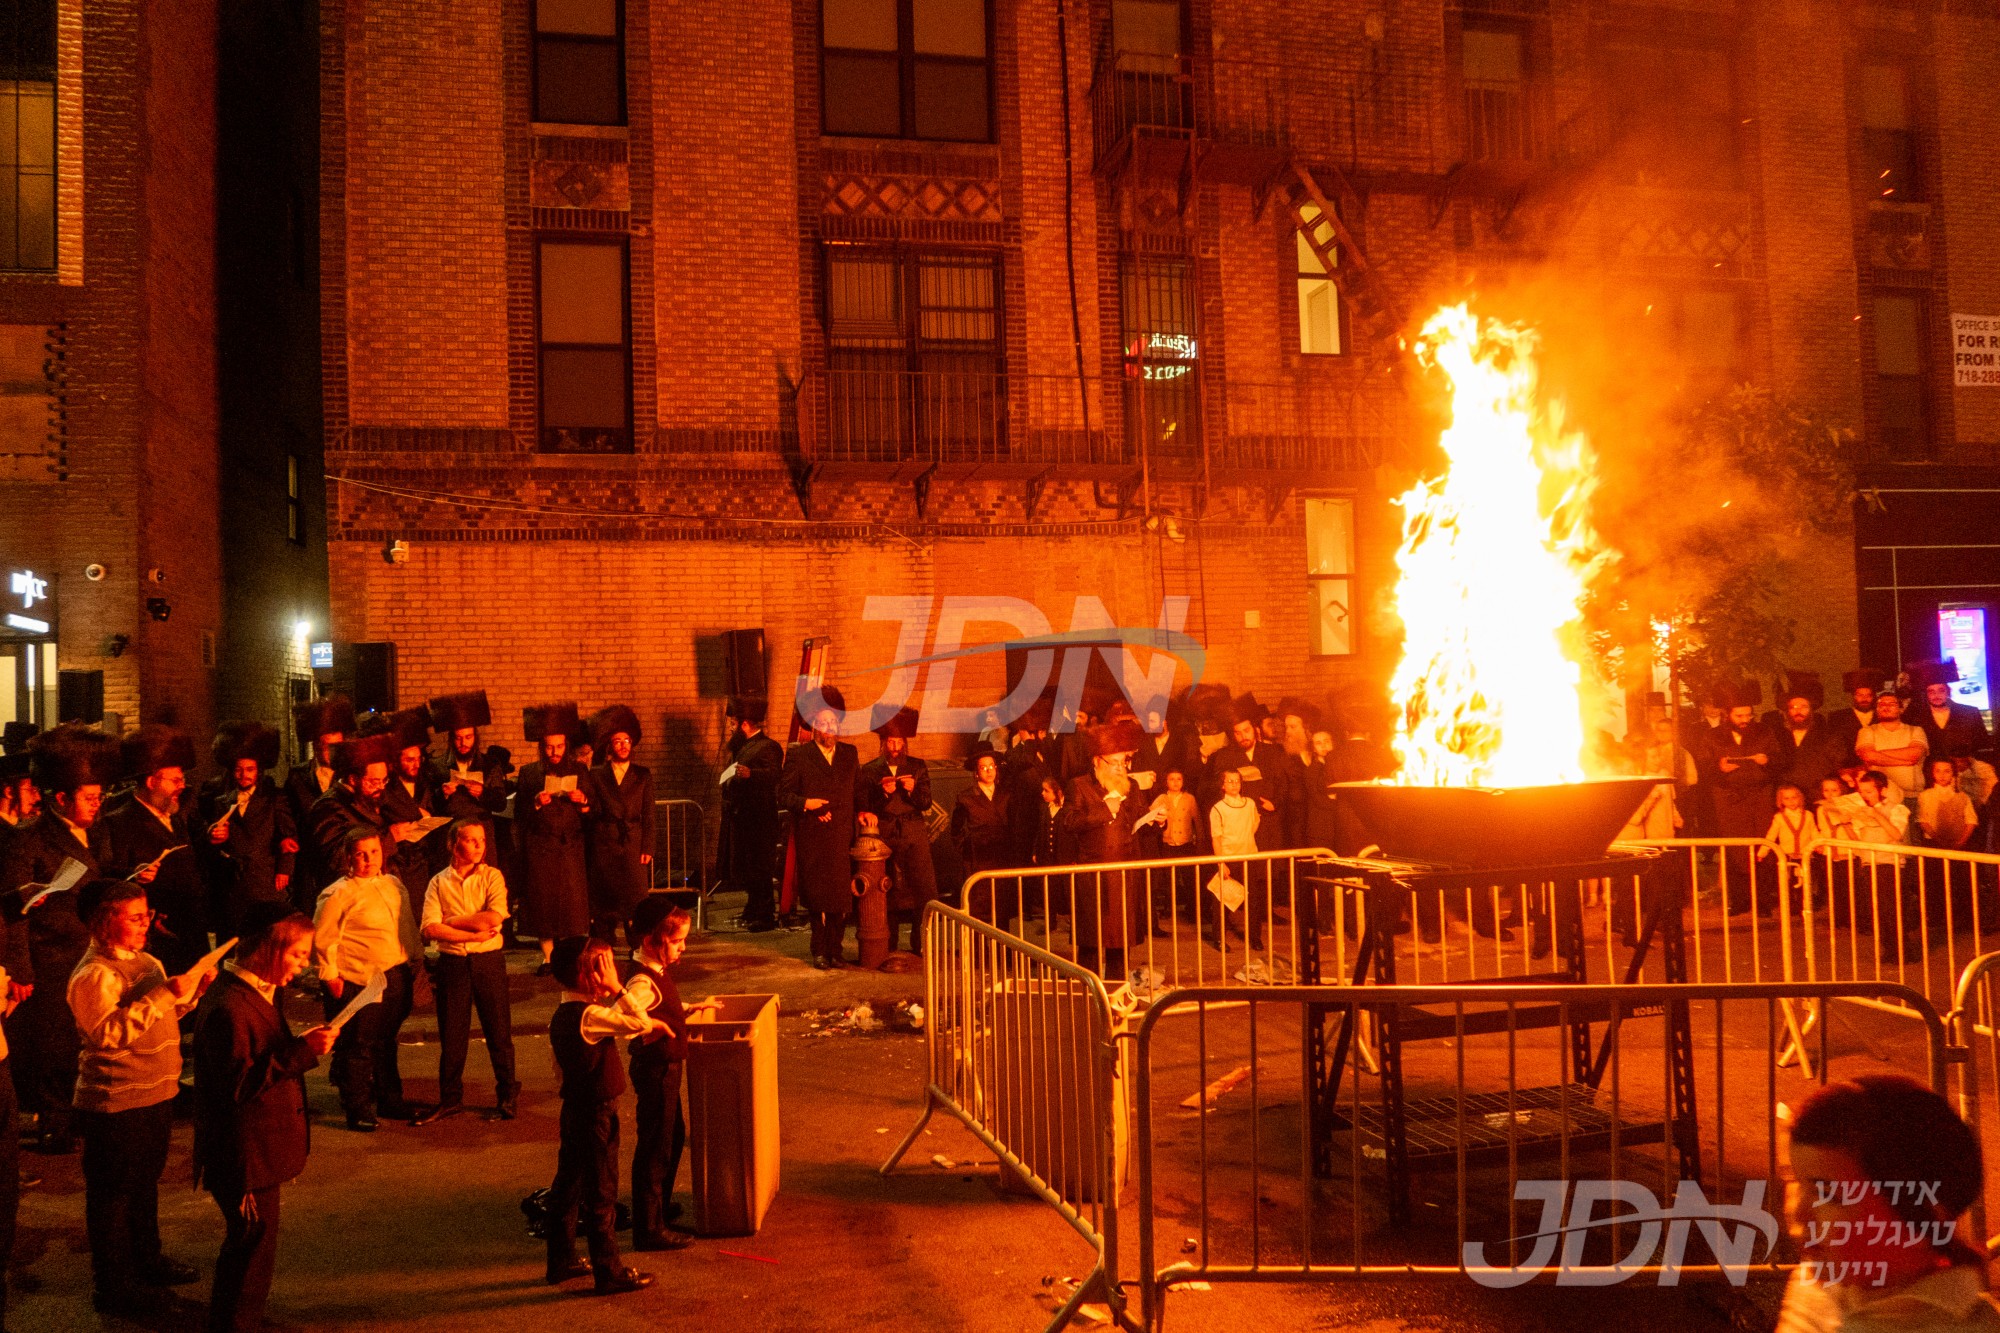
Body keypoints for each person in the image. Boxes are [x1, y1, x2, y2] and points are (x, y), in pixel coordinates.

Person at [67, 877, 215, 1315]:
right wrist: (164, 994)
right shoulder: (94, 975)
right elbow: (109, 1034)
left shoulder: (146, 960)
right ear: (101, 923)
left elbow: (157, 1014)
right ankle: (114, 1285)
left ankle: (146, 1260)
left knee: (144, 1185)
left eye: (146, 914)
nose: (144, 923)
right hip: (116, 1101)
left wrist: (190, 996)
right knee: (113, 1194)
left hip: (155, 1092)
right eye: (134, 917)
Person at [191, 904, 337, 1333]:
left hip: (259, 1150)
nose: (304, 964)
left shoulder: (257, 992)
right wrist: (303, 1051)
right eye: (297, 954)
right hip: (244, 1158)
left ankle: (244, 1316)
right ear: (266, 949)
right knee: (249, 1247)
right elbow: (238, 1084)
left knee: (257, 1246)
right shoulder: (230, 1007)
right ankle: (235, 1322)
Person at [1778, 1074, 1996, 1332]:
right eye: (1796, 1183)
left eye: (1828, 1194)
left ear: (1924, 1214)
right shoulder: (1812, 1289)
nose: (1800, 1212)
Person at [6, 724, 120, 1154]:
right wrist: (19, 967)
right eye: (90, 798)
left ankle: (80, 1112)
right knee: (53, 1045)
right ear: (60, 800)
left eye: (99, 797)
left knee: (85, 1036)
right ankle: (53, 1121)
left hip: (89, 952)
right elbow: (11, 912)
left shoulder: (98, 831)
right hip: (49, 956)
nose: (98, 805)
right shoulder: (27, 839)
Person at [543, 935, 665, 1294]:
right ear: (587, 977)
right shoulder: (591, 1016)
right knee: (602, 1192)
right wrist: (617, 989)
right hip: (596, 1113)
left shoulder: (565, 1012)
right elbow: (640, 1023)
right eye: (604, 967)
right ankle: (608, 1271)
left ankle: (561, 1259)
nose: (612, 973)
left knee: (569, 1185)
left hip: (575, 1108)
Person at [620, 898, 719, 1251]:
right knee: (656, 1145)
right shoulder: (642, 982)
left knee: (672, 1136)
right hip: (656, 1069)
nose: (682, 947)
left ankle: (658, 1209)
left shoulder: (655, 973)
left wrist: (689, 1008)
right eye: (676, 941)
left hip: (666, 1068)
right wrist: (652, 1026)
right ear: (650, 942)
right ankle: (649, 1227)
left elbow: (659, 1006)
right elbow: (626, 1017)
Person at [312, 827, 421, 1131]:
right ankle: (356, 1106)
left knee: (387, 1041)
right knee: (358, 1043)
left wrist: (415, 954)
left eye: (373, 852)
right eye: (360, 854)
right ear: (348, 857)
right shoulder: (338, 894)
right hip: (359, 977)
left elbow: (406, 922)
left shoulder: (393, 884)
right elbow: (323, 939)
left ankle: (390, 1098)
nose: (368, 859)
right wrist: (330, 975)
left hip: (395, 972)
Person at [416, 819, 518, 1125]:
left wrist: (453, 921)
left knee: (498, 1030)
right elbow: (429, 928)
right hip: (453, 964)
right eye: (470, 840)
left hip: (487, 962)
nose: (478, 846)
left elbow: (492, 919)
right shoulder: (438, 882)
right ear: (452, 845)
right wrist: (470, 933)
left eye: (481, 841)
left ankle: (507, 1094)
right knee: (452, 1034)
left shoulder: (492, 876)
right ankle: (450, 1099)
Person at [99, 725, 209, 977]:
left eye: (182, 779)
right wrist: (134, 875)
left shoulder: (176, 816)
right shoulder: (119, 823)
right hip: (157, 937)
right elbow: (108, 876)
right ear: (151, 781)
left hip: (190, 930)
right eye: (175, 780)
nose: (182, 786)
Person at [778, 692, 862, 969]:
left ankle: (835, 950)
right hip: (813, 835)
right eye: (824, 723)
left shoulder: (849, 754)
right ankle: (819, 950)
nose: (830, 729)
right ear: (814, 725)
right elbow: (783, 795)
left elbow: (856, 790)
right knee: (817, 897)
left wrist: (863, 811)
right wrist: (807, 804)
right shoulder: (799, 756)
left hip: (841, 834)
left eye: (834, 723)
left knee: (840, 897)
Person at [1060, 719, 1148, 975]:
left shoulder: (1131, 787)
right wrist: (1103, 810)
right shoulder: (1079, 786)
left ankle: (1116, 996)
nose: (1121, 768)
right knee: (1092, 941)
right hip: (1094, 877)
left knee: (1120, 943)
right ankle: (1087, 996)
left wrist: (1155, 819)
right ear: (1098, 760)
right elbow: (1069, 821)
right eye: (1115, 762)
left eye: (1125, 762)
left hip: (1124, 875)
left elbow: (1137, 820)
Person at [200, 722, 298, 939]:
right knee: (233, 939)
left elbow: (288, 836)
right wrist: (215, 838)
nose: (243, 775)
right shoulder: (221, 802)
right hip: (233, 885)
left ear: (259, 770)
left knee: (265, 939)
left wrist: (285, 869)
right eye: (238, 769)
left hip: (265, 881)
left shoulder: (274, 799)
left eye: (249, 769)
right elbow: (212, 839)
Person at [517, 703, 592, 973]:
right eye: (549, 747)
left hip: (570, 847)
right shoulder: (529, 773)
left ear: (566, 745)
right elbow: (519, 816)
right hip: (541, 848)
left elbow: (592, 812)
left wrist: (583, 801)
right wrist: (536, 803)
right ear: (541, 747)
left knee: (572, 906)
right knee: (543, 903)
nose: (555, 752)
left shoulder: (580, 771)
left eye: (559, 746)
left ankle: (571, 956)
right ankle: (548, 958)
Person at [858, 706, 937, 923]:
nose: (894, 747)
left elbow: (926, 803)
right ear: (883, 743)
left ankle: (921, 941)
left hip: (913, 833)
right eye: (890, 742)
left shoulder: (917, 766)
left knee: (923, 886)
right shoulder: (870, 769)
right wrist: (883, 793)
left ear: (904, 743)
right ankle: (888, 941)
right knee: (885, 886)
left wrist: (911, 790)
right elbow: (865, 806)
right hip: (884, 833)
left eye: (898, 742)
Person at [583, 705, 654, 945]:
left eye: (627, 740)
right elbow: (592, 810)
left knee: (635, 899)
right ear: (609, 746)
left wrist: (648, 847)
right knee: (605, 901)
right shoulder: (596, 775)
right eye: (618, 741)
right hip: (604, 843)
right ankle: (604, 944)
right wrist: (584, 807)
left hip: (633, 843)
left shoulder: (643, 775)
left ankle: (637, 945)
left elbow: (649, 814)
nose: (623, 745)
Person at [304, 732, 397, 906]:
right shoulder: (328, 807)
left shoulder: (367, 799)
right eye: (374, 782)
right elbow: (337, 858)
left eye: (384, 781)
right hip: (347, 900)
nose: (380, 788)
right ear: (353, 779)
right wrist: (391, 837)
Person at [283, 695, 356, 911]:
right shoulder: (297, 776)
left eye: (336, 746)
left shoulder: (351, 776)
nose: (331, 752)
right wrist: (287, 837)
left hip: (341, 865)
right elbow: (288, 813)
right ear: (315, 745)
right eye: (326, 746)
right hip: (308, 869)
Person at [717, 695, 783, 932]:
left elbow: (775, 775)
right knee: (748, 868)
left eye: (734, 724)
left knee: (760, 868)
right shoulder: (743, 747)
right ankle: (752, 908)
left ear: (745, 724)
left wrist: (751, 774)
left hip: (760, 820)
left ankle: (765, 915)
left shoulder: (769, 746)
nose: (732, 728)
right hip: (742, 818)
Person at [371, 708, 444, 910]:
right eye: (409, 760)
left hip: (423, 863)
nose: (415, 765)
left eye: (418, 759)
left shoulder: (424, 783)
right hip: (398, 865)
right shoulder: (386, 788)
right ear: (396, 761)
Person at [1709, 683, 1779, 849]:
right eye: (1739, 716)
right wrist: (1719, 768)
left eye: (1748, 715)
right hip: (1729, 798)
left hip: (1761, 796)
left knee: (1763, 842)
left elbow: (1779, 758)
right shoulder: (1713, 736)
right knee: (1736, 845)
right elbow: (1703, 766)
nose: (1745, 720)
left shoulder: (1765, 731)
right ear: (1727, 715)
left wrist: (1767, 761)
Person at [428, 690, 512, 827]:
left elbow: (501, 804)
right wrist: (442, 794)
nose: (463, 743)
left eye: (468, 737)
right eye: (458, 738)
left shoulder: (490, 765)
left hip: (481, 831)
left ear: (475, 737)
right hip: (450, 831)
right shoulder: (436, 766)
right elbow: (428, 806)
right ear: (451, 739)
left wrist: (483, 792)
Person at [952, 749, 1013, 930]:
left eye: (992, 766)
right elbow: (956, 831)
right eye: (983, 767)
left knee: (1001, 912)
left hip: (1001, 859)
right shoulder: (965, 798)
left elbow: (1015, 826)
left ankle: (1003, 953)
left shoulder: (1006, 794)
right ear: (976, 772)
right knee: (979, 912)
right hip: (977, 862)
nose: (989, 770)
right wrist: (969, 852)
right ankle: (978, 953)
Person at [1769, 674, 1841, 796]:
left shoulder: (1828, 736)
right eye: (1793, 707)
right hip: (1788, 797)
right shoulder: (1777, 736)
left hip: (1817, 795)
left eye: (1804, 707)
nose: (1798, 711)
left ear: (1811, 709)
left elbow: (1837, 766)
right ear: (1787, 710)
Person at [1912, 660, 1993, 764]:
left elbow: (1983, 746)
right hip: (1930, 775)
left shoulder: (1970, 713)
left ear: (1948, 691)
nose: (1936, 696)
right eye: (1931, 691)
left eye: (1941, 690)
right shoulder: (1916, 718)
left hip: (1965, 774)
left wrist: (1969, 760)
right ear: (1926, 694)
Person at [1857, 690, 1931, 802]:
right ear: (1877, 709)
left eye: (1892, 704)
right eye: (1882, 704)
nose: (1886, 707)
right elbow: (1868, 756)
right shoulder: (1867, 731)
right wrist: (1905, 762)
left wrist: (1878, 754)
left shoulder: (1915, 730)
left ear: (1901, 709)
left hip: (1912, 797)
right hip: (1879, 798)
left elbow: (1914, 755)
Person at [1828, 669, 1885, 771]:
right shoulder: (1837, 718)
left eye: (1868, 695)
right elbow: (1833, 748)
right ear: (1853, 696)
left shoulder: (1883, 717)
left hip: (1880, 769)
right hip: (1847, 771)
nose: (1864, 699)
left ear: (1873, 697)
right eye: (1860, 695)